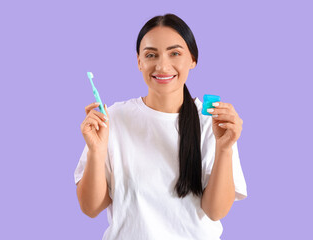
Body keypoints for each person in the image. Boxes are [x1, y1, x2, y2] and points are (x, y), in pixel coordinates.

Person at [74, 13, 247, 240]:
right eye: (151, 55)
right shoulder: (113, 118)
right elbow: (91, 208)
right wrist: (96, 151)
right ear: (139, 61)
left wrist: (224, 148)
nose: (162, 66)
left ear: (193, 59)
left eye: (175, 53)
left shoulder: (212, 122)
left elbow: (215, 211)